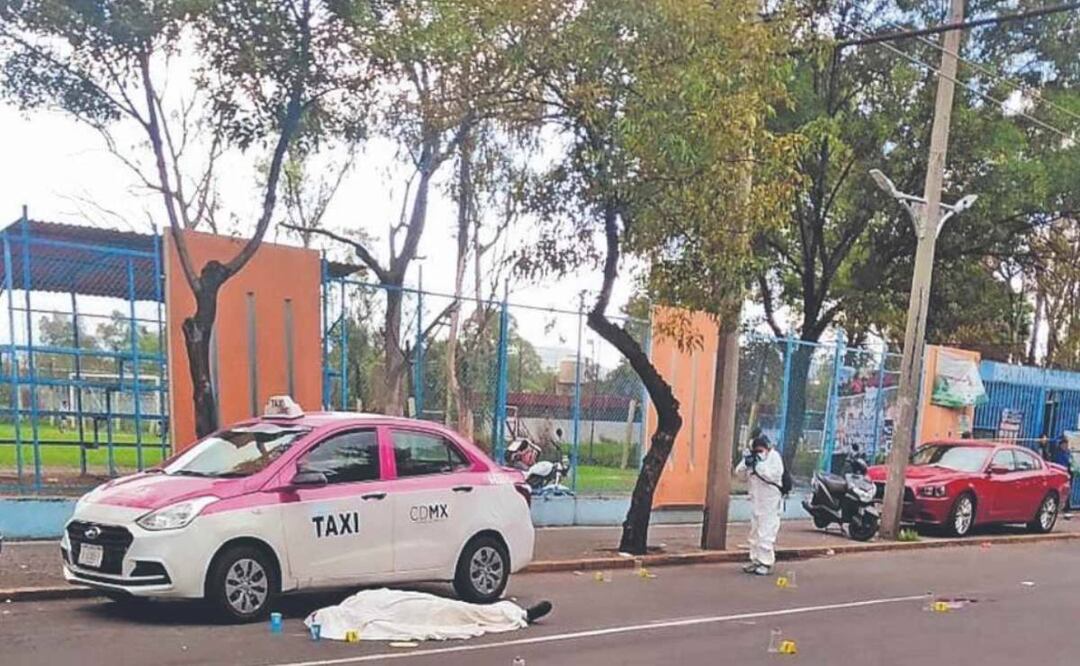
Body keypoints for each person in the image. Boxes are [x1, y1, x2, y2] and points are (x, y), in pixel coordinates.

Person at [735, 429, 785, 576]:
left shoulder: (774, 457)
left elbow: (773, 475)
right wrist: (747, 463)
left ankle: (766, 562)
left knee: (766, 531)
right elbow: (739, 474)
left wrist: (758, 465)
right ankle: (755, 559)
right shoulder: (752, 458)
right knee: (755, 531)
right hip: (756, 500)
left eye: (760, 450)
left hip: (770, 501)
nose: (758, 452)